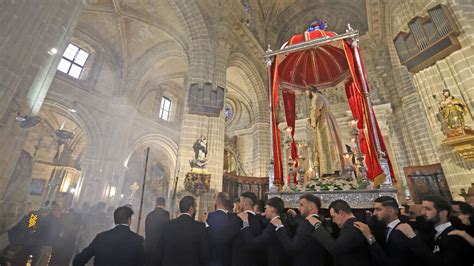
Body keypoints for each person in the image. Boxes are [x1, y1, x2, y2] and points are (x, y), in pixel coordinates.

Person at [395, 195, 473, 266]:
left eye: (428, 209)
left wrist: (412, 237)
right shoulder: (431, 232)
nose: (422, 213)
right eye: (422, 208)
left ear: (443, 213)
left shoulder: (455, 236)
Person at [354, 196, 421, 266]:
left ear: (391, 211)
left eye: (378, 209)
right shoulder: (386, 228)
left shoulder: (400, 233)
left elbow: (389, 263)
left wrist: (369, 237)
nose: (374, 213)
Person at [72, 206, 144, 266]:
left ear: (115, 220)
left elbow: (78, 260)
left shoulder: (101, 237)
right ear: (129, 220)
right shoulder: (138, 240)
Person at [307, 199, 371, 266]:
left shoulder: (352, 227)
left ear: (341, 213)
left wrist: (317, 225)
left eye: (334, 216)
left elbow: (335, 249)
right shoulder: (351, 225)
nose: (333, 221)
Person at [272, 194, 327, 266]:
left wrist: (279, 227)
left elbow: (292, 249)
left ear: (310, 207)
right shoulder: (320, 221)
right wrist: (297, 216)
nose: (298, 209)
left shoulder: (305, 225)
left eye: (301, 205)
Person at [157, 196, 209, 266]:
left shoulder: (167, 225)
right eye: (195, 208)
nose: (196, 210)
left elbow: (160, 251)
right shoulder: (200, 227)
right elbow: (204, 255)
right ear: (191, 209)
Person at [239, 197, 291, 266]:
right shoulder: (282, 221)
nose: (264, 211)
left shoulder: (273, 226)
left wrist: (245, 222)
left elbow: (252, 243)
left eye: (266, 208)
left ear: (272, 209)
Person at [308, 87, 345, 176]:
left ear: (310, 91)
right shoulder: (322, 96)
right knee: (332, 142)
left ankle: (328, 169)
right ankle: (335, 167)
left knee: (326, 144)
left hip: (323, 122)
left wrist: (312, 122)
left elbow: (316, 111)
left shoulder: (316, 97)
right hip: (328, 120)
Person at [206, 192, 240, 266]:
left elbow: (207, 237)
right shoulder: (233, 218)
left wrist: (205, 224)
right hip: (227, 259)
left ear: (218, 201)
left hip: (212, 258)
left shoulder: (210, 216)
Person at [231, 191, 264, 266]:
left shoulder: (239, 219)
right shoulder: (260, 219)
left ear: (245, 203)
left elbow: (230, 236)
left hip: (240, 260)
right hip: (255, 260)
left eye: (240, 201)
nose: (239, 204)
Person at [144, 197, 170, 265]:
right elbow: (166, 230)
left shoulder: (149, 215)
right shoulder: (166, 214)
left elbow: (146, 230)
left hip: (148, 246)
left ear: (156, 204)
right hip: (159, 248)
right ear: (164, 205)